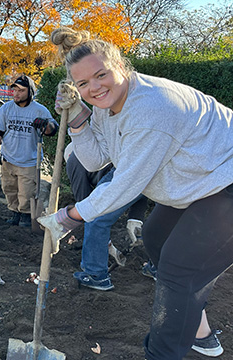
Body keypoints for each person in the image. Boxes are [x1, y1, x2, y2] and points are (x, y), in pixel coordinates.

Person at [38, 27, 232, 359]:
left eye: (101, 75)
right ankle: (200, 333)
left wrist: (68, 216)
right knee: (156, 240)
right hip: (198, 185)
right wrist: (78, 119)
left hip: (225, 183)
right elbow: (96, 158)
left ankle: (162, 353)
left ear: (121, 66)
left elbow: (124, 184)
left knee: (179, 269)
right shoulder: (105, 103)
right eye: (83, 84)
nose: (94, 87)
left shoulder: (151, 108)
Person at [65, 143, 148, 290]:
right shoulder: (105, 153)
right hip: (140, 170)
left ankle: (95, 274)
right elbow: (142, 183)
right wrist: (136, 218)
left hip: (125, 173)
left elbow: (85, 204)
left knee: (94, 216)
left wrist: (103, 241)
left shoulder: (74, 161)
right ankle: (156, 268)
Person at [0, 74, 59, 227]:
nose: (16, 93)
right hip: (8, 159)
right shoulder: (6, 108)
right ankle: (15, 214)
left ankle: (27, 217)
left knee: (27, 193)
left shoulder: (39, 111)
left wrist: (47, 126)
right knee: (9, 189)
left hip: (29, 161)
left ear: (30, 92)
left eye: (21, 90)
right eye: (14, 90)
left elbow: (53, 130)